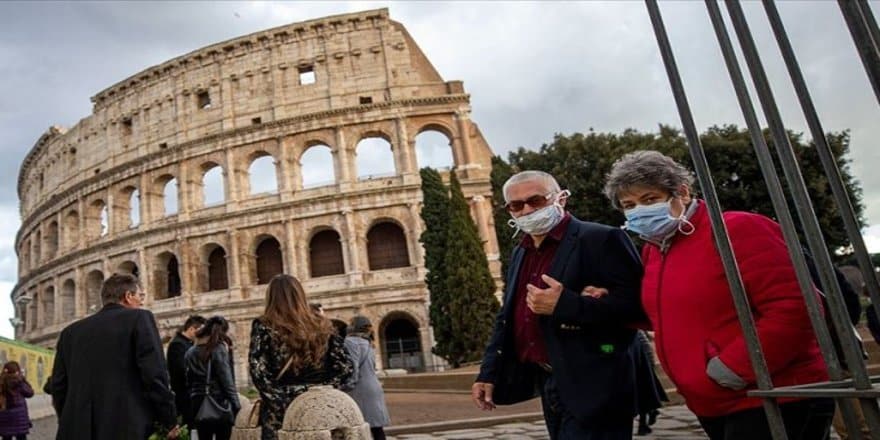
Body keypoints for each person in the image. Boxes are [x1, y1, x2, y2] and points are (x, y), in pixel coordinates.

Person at [600, 150, 832, 440]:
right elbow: (665, 313)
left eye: (649, 199)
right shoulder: (656, 249)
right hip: (713, 403)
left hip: (773, 395)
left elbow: (796, 306)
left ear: (682, 192)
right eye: (628, 205)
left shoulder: (737, 229)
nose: (638, 210)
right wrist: (602, 299)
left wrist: (732, 369)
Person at [472, 170, 646, 439]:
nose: (527, 209)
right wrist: (489, 371)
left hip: (597, 382)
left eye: (537, 200)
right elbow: (508, 316)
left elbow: (638, 308)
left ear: (560, 199)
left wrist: (567, 303)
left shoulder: (601, 239)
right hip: (550, 380)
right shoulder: (521, 251)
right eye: (517, 205)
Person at [50, 273, 179, 439]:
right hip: (125, 426)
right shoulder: (139, 318)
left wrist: (68, 419)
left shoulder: (70, 332)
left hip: (75, 428)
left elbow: (59, 385)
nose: (142, 301)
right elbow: (155, 374)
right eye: (140, 296)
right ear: (128, 296)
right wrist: (168, 419)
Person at [248, 274, 353, 440]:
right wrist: (324, 391)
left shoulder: (264, 325)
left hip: (281, 412)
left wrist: (283, 401)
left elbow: (258, 371)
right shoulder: (322, 323)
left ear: (271, 297)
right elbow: (346, 367)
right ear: (300, 294)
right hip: (321, 408)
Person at [185, 316, 240, 440]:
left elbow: (188, 381)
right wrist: (236, 405)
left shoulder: (190, 351)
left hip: (198, 402)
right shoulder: (218, 349)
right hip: (218, 401)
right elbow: (227, 381)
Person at [342, 316, 390, 440]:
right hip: (373, 386)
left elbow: (354, 367)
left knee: (359, 427)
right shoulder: (368, 343)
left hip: (360, 388)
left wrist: (346, 386)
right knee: (377, 428)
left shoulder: (351, 342)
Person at [168, 314, 206, 430]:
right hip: (185, 394)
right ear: (191, 329)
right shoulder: (178, 345)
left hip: (190, 393)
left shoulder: (186, 343)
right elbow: (183, 369)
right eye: (201, 331)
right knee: (191, 427)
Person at [631, 330, 666, 436]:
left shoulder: (637, 333)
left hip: (643, 367)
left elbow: (647, 350)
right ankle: (651, 412)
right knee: (641, 396)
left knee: (642, 396)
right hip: (637, 367)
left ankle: (644, 423)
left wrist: (650, 368)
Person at [0, 361, 34, 440]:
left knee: (6, 437)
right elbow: (30, 393)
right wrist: (24, 379)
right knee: (21, 437)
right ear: (17, 371)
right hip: (19, 419)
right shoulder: (19, 382)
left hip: (4, 417)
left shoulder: (1, 381)